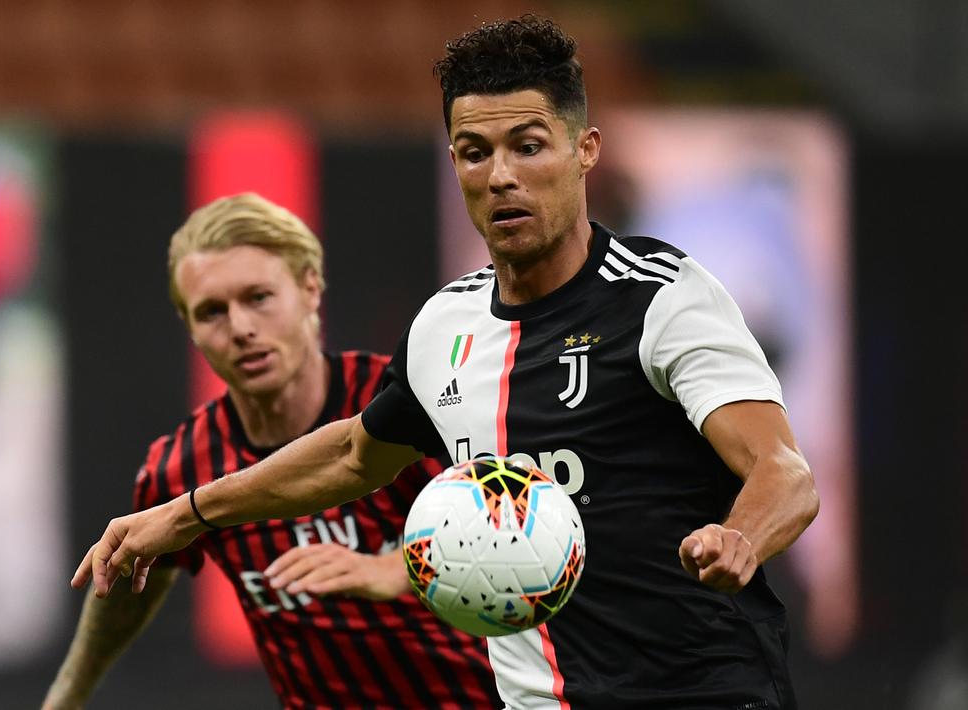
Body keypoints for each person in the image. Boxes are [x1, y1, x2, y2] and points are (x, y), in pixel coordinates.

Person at [74, 16, 819, 709]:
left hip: (702, 692)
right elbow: (348, 455)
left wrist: (738, 538)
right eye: (474, 152)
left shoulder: (664, 299)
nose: (500, 176)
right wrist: (184, 515)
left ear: (582, 150)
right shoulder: (446, 324)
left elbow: (782, 472)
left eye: (527, 146)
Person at [46, 193, 499, 708]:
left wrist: (395, 569)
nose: (240, 328)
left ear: (310, 290)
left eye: (258, 297)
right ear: (190, 330)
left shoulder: (411, 403)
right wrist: (67, 694)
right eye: (212, 312)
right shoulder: (180, 468)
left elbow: (520, 532)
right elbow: (127, 586)